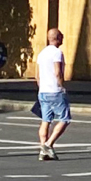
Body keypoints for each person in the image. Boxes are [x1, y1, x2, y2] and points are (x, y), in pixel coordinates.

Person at [34, 26, 70, 160]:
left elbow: (37, 75)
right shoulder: (57, 53)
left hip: (43, 91)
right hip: (55, 91)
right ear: (58, 38)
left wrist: (41, 87)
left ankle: (42, 150)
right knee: (65, 119)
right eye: (61, 36)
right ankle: (48, 144)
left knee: (45, 120)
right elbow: (57, 72)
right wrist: (62, 87)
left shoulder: (42, 53)